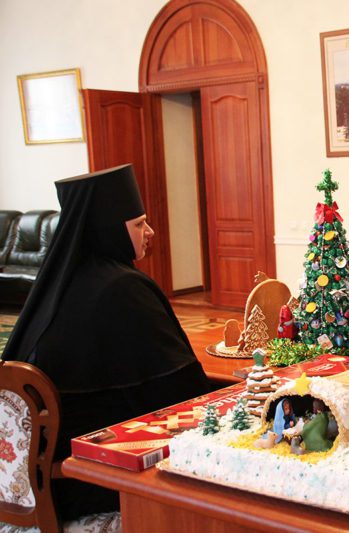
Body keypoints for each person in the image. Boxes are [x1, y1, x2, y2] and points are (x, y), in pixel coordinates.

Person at [1, 164, 212, 520]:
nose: (150, 232)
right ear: (108, 229)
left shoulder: (57, 283)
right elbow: (185, 393)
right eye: (139, 224)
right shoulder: (123, 288)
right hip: (89, 480)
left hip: (37, 478)